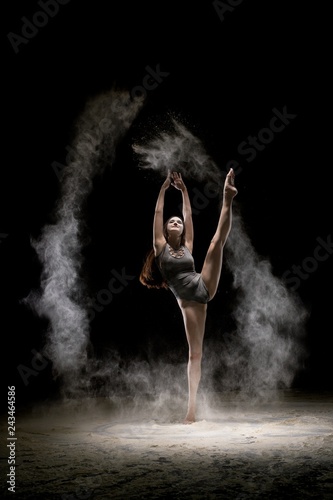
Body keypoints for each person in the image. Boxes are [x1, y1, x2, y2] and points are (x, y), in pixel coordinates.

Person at [140, 168, 237, 423]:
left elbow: (188, 214)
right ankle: (191, 410)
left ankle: (228, 197)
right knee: (195, 354)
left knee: (216, 243)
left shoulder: (187, 246)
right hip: (191, 303)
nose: (176, 222)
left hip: (202, 283)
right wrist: (163, 189)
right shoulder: (159, 247)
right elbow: (157, 213)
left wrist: (184, 191)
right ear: (164, 230)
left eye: (178, 222)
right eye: (171, 221)